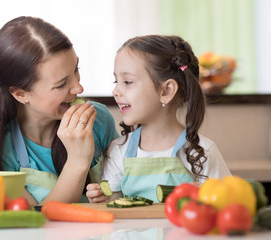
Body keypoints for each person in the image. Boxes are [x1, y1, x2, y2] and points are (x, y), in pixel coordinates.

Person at [0, 16, 119, 205]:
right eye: (61, 84)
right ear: (21, 94)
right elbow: (35, 223)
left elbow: (121, 194)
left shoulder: (99, 119)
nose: (79, 88)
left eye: (76, 69)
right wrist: (78, 160)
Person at [86, 35, 231, 203]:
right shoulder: (119, 151)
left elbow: (227, 204)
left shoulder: (202, 151)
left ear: (166, 91)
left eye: (127, 81)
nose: (116, 91)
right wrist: (102, 198)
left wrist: (207, 197)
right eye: (115, 81)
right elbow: (113, 205)